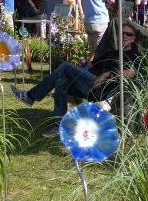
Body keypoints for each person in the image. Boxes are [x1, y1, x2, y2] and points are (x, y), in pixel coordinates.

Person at [10, 24, 141, 137]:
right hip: (90, 84)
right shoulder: (112, 53)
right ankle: (58, 126)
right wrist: (83, 62)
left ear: (134, 38)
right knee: (61, 81)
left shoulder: (135, 55)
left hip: (105, 91)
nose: (124, 36)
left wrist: (107, 73)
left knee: (65, 67)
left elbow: (131, 74)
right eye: (121, 33)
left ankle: (30, 96)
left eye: (128, 34)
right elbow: (91, 65)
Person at [81, 0, 115, 65]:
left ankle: (90, 75)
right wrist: (106, 4)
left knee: (93, 53)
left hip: (89, 22)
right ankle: (97, 78)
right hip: (99, 22)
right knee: (101, 54)